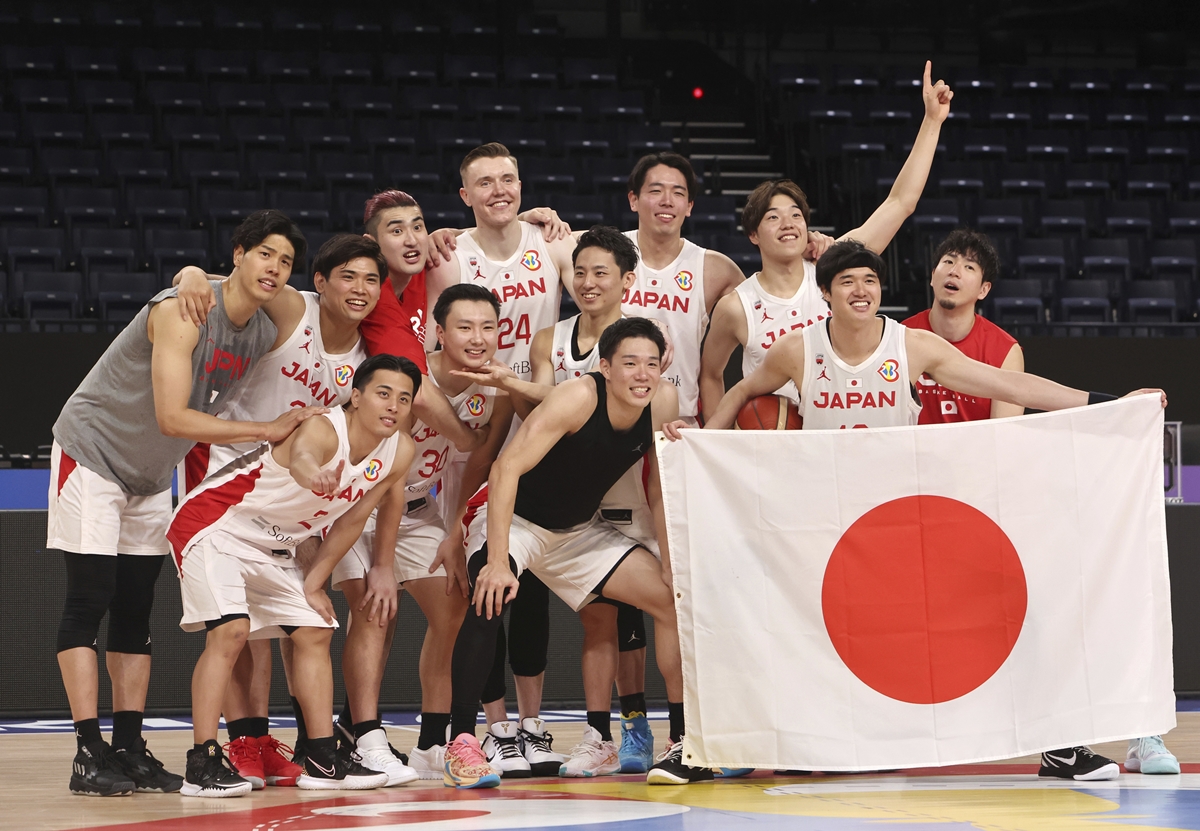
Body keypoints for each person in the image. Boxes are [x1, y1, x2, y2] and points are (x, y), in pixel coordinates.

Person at [49, 210, 313, 796]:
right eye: (264, 253)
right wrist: (266, 429)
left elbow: (333, 295)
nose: (274, 268)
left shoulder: (264, 329)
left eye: (286, 260)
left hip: (149, 473)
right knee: (89, 598)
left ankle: (128, 747)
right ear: (239, 253)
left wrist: (198, 270)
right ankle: (87, 751)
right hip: (92, 453)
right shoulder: (182, 309)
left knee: (136, 609)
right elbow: (173, 415)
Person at [903, 229, 1180, 780]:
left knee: (1069, 596)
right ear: (932, 276)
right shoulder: (898, 338)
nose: (954, 269)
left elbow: (1004, 442)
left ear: (983, 288)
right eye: (946, 261)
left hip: (973, 507)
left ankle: (1106, 736)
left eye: (967, 266)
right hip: (901, 507)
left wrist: (1115, 407)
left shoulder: (1001, 349)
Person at [443, 317, 714, 789]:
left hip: (579, 532)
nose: (642, 374)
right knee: (490, 598)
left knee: (673, 601)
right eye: (630, 363)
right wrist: (498, 559)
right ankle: (462, 743)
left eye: (652, 363)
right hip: (515, 520)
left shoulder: (663, 401)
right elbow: (506, 468)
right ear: (605, 367)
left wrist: (670, 560)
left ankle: (685, 737)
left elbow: (656, 487)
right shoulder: (579, 397)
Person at [174, 234, 384, 790]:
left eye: (371, 280)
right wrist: (195, 273)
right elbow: (243, 282)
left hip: (292, 502)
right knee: (240, 632)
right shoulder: (296, 307)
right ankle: (243, 739)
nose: (360, 290)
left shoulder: (368, 361)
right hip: (231, 472)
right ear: (320, 282)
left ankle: (310, 748)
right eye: (348, 277)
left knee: (306, 624)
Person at [168, 354, 420, 796]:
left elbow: (352, 520)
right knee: (231, 632)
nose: (393, 406)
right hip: (216, 524)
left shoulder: (400, 449)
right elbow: (303, 456)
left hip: (276, 543)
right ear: (356, 397)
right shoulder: (324, 428)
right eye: (383, 394)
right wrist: (314, 474)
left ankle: (321, 758)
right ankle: (201, 761)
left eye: (404, 398)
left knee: (314, 631)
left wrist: (314, 580)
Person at [458, 227, 658, 776]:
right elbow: (543, 415)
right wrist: (516, 385)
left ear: (626, 281)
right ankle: (474, 737)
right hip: (540, 493)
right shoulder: (552, 340)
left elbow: (580, 400)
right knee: (502, 599)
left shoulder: (640, 354)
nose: (588, 282)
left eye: (601, 272)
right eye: (580, 272)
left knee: (624, 618)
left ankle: (640, 730)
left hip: (605, 503)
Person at [424, 143, 581, 772]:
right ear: (464, 196)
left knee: (531, 582)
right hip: (473, 425)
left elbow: (611, 281)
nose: (499, 190)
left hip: (534, 418)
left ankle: (532, 724)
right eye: (484, 182)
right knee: (480, 585)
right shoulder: (445, 254)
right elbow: (373, 267)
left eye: (508, 179)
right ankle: (489, 728)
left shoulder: (554, 244)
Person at [693, 240, 1166, 436]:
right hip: (822, 492)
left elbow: (1013, 387)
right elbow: (742, 390)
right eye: (848, 282)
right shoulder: (797, 348)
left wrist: (1113, 402)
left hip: (896, 492)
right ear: (825, 293)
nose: (861, 291)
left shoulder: (912, 344)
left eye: (870, 281)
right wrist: (702, 444)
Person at [330, 283, 514, 782]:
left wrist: (454, 535)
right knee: (374, 609)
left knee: (455, 607)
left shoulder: (497, 389)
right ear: (439, 332)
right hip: (360, 504)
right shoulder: (407, 379)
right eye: (464, 327)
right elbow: (389, 474)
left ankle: (433, 742)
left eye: (488, 327)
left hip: (422, 509)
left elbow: (474, 467)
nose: (477, 338)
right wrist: (385, 565)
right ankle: (364, 735)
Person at [700, 61, 954, 419]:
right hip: (776, 445)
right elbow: (710, 375)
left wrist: (932, 122)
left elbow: (900, 203)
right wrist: (717, 445)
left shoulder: (835, 263)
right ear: (753, 234)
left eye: (796, 215)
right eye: (773, 217)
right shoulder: (735, 306)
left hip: (840, 430)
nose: (788, 223)